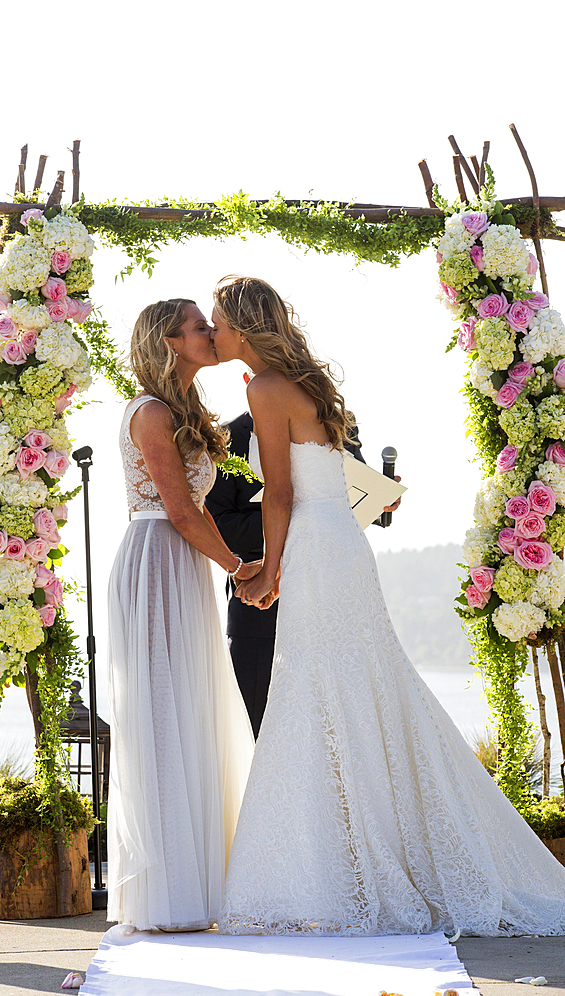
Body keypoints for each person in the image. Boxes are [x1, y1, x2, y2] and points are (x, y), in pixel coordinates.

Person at [209, 275, 565, 937]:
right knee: (360, 690)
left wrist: (270, 572)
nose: (213, 333)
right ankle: (355, 863)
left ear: (242, 327)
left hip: (314, 548)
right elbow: (330, 484)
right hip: (343, 546)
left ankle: (336, 873)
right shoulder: (307, 384)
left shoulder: (262, 390)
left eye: (218, 323)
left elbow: (279, 496)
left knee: (317, 694)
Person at [106, 298, 256, 932]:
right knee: (162, 715)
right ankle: (168, 895)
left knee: (191, 711)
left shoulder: (189, 412)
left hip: (184, 566)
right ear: (168, 340)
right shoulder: (149, 413)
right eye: (199, 325)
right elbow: (181, 511)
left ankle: (204, 882)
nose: (210, 332)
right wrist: (239, 566)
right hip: (157, 561)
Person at [205, 411, 384, 738]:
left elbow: (357, 502)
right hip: (259, 612)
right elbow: (219, 526)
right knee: (256, 730)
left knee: (337, 733)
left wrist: (383, 503)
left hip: (331, 601)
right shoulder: (227, 438)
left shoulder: (336, 424)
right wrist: (284, 519)